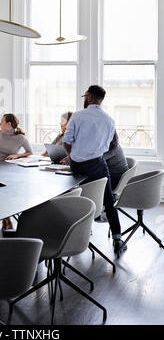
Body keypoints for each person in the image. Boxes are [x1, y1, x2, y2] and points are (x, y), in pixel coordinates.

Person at [62, 85, 126, 254]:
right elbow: (106, 147)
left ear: (89, 97)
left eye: (85, 97)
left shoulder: (77, 116)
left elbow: (66, 142)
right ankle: (118, 238)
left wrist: (73, 156)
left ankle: (69, 236)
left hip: (76, 165)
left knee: (71, 197)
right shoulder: (109, 120)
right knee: (108, 200)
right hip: (97, 165)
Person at [0, 113, 33, 231]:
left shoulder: (21, 138)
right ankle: (7, 220)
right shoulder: (0, 133)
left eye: (1, 121)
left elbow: (29, 152)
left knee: (4, 195)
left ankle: (5, 220)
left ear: (9, 124)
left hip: (7, 170)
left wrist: (16, 155)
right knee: (0, 195)